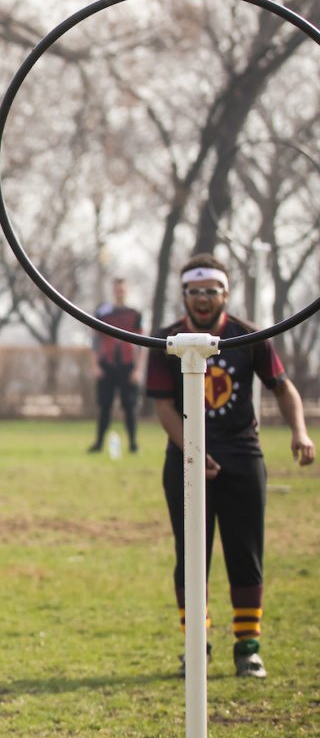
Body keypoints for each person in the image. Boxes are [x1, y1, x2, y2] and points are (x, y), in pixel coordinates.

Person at [145, 254, 314, 678]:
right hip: (185, 457)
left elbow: (283, 386)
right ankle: (195, 645)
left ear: (225, 294)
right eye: (194, 291)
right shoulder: (166, 340)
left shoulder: (249, 336)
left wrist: (300, 431)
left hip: (242, 455)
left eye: (211, 291)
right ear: (184, 295)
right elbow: (164, 407)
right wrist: (191, 450)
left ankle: (248, 648)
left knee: (246, 553)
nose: (202, 300)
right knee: (190, 556)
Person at [89, 278, 141, 453]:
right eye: (117, 290)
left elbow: (141, 343)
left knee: (129, 406)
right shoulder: (103, 313)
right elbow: (95, 340)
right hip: (107, 365)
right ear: (113, 291)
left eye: (122, 290)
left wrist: (138, 369)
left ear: (126, 291)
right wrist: (95, 365)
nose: (119, 293)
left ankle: (133, 444)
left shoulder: (134, 314)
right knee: (104, 406)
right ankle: (98, 443)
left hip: (127, 365)